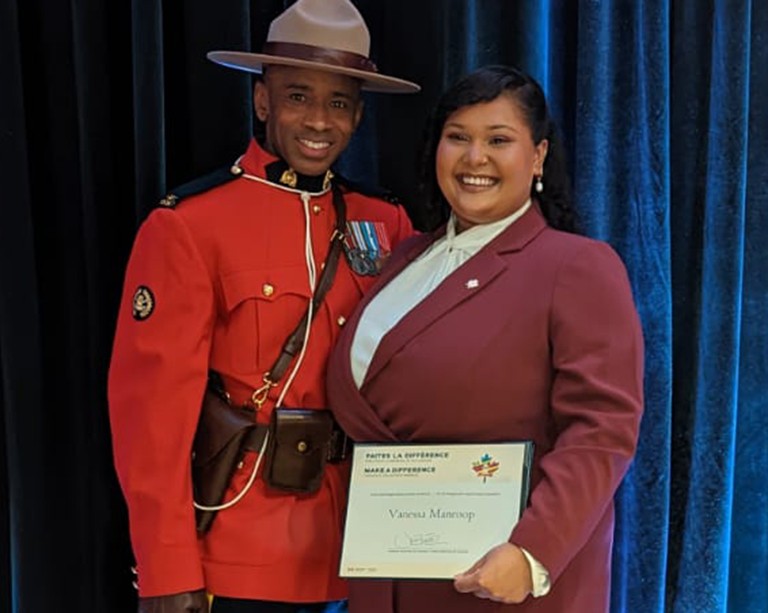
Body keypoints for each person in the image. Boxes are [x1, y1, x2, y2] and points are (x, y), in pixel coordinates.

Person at [108, 1, 419, 612]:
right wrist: (167, 569)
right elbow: (151, 421)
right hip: (243, 552)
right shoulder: (193, 225)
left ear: (358, 115)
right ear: (262, 102)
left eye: (338, 103)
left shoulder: (387, 222)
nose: (319, 121)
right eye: (298, 96)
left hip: (366, 547)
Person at [326, 65, 644, 612]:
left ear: (538, 156)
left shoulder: (577, 266)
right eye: (458, 138)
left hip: (500, 583)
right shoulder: (405, 257)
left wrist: (531, 553)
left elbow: (601, 431)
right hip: (389, 579)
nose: (475, 159)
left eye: (499, 140)